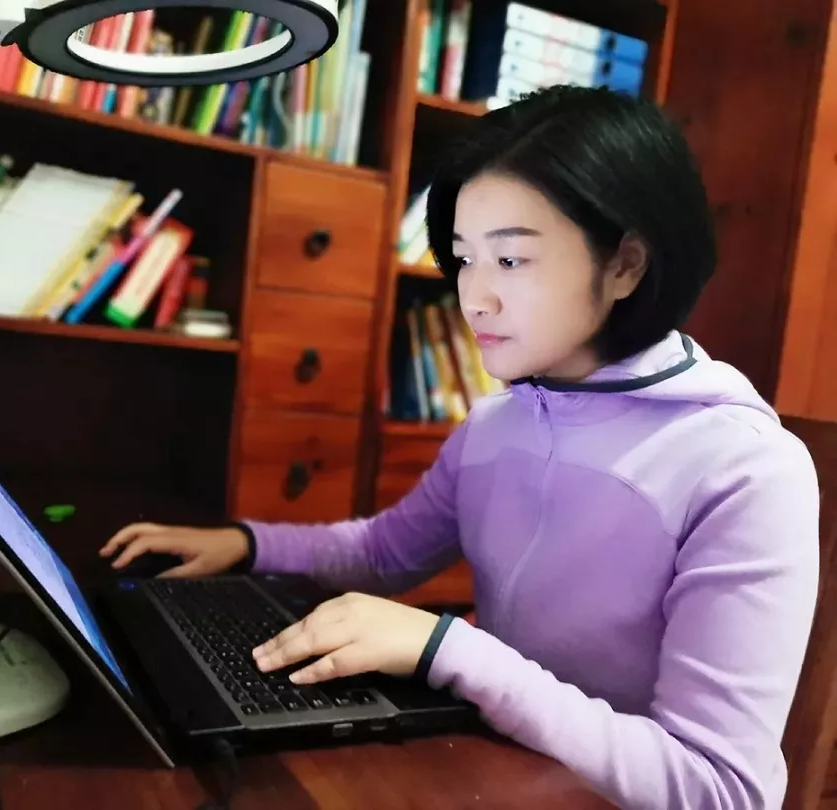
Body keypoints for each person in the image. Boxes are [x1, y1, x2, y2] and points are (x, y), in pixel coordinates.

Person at [99, 85, 820, 810]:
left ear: (626, 264)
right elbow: (384, 552)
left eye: (510, 260)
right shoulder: (497, 423)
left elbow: (720, 788)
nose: (473, 298)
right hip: (500, 779)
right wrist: (245, 544)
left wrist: (453, 651)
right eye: (464, 258)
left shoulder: (746, 470)